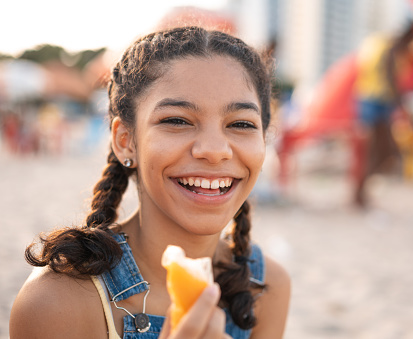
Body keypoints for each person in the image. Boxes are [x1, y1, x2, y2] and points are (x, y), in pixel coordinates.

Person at [9, 27, 291, 339]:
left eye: (240, 124)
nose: (214, 150)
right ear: (125, 140)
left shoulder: (266, 287)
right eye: (177, 120)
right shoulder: (56, 303)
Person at [351, 20, 413, 208]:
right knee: (376, 152)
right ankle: (359, 195)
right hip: (374, 101)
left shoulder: (384, 44)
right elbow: (389, 74)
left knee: (380, 153)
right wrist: (402, 103)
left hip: (373, 100)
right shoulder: (391, 47)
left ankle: (360, 193)